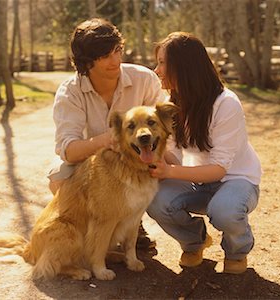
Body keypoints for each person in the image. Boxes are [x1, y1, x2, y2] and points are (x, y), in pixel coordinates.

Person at [147, 32, 262, 274]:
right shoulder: (173, 104)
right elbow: (174, 157)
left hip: (237, 181)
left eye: (162, 63)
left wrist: (170, 170)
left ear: (184, 66)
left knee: (225, 210)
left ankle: (237, 250)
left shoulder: (225, 103)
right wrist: (154, 147)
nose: (157, 70)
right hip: (198, 181)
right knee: (156, 200)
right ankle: (194, 242)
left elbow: (219, 169)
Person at [48, 18, 165, 248]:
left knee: (166, 184)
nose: (115, 61)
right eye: (104, 56)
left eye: (117, 51)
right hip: (93, 161)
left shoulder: (144, 79)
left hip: (140, 156)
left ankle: (132, 223)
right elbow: (69, 150)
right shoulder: (70, 92)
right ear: (86, 62)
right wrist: (108, 140)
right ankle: (86, 231)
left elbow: (166, 129)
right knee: (59, 178)